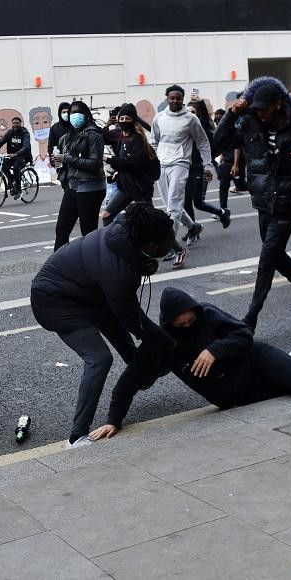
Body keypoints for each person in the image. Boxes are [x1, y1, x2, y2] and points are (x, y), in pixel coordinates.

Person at [89, 288, 291, 440]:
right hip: (240, 395)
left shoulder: (207, 314)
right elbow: (129, 380)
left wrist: (215, 350)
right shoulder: (163, 343)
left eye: (192, 318)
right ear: (169, 323)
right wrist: (114, 420)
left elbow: (244, 334)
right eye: (183, 323)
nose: (190, 324)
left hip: (258, 361)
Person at [30, 202, 177, 448]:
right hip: (54, 302)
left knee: (125, 341)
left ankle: (139, 376)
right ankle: (77, 436)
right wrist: (169, 344)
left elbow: (125, 316)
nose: (171, 246)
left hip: (88, 293)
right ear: (151, 246)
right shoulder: (120, 272)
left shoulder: (125, 231)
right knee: (99, 358)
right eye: (168, 243)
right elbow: (133, 320)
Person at [214, 77, 291, 330]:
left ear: (279, 104)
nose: (260, 114)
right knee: (275, 254)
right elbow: (219, 142)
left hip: (287, 199)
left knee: (267, 258)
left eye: (264, 109)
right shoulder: (249, 121)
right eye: (256, 109)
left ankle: (250, 318)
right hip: (262, 199)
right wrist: (230, 115)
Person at [151, 85, 213, 269]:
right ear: (167, 99)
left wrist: (208, 165)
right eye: (172, 98)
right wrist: (152, 162)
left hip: (181, 163)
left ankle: (169, 246)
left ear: (183, 98)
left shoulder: (191, 119)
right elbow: (154, 141)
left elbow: (203, 142)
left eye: (178, 98)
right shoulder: (159, 117)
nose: (175, 101)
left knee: (173, 208)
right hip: (162, 164)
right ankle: (193, 227)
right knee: (171, 204)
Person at [52, 101, 106, 251]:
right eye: (71, 113)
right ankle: (58, 266)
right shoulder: (69, 136)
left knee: (88, 233)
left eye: (77, 112)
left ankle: (93, 266)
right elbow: (64, 159)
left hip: (90, 187)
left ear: (86, 115)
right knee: (61, 229)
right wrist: (57, 160)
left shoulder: (94, 134)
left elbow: (95, 163)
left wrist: (66, 158)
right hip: (72, 185)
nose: (74, 116)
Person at [100, 103, 160, 224]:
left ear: (133, 120)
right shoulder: (119, 135)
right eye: (121, 118)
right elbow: (102, 138)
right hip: (125, 187)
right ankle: (115, 242)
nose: (124, 121)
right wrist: (107, 125)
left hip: (140, 188)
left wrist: (108, 159)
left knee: (152, 220)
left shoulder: (137, 139)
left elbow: (133, 164)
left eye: (128, 119)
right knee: (106, 215)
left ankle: (170, 243)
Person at [182, 97, 230, 242]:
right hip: (186, 169)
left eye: (194, 112)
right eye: (188, 112)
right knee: (185, 202)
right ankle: (192, 229)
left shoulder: (200, 126)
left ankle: (222, 212)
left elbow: (202, 116)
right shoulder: (184, 127)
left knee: (198, 202)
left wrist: (201, 103)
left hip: (201, 168)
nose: (191, 114)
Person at [0, 115, 32, 196]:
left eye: (17, 123)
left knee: (16, 168)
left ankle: (18, 190)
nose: (15, 124)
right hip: (12, 155)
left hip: (23, 156)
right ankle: (12, 180)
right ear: (12, 124)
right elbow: (1, 142)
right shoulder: (10, 133)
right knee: (4, 166)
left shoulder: (25, 133)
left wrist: (17, 153)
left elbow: (26, 146)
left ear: (20, 124)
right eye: (14, 123)